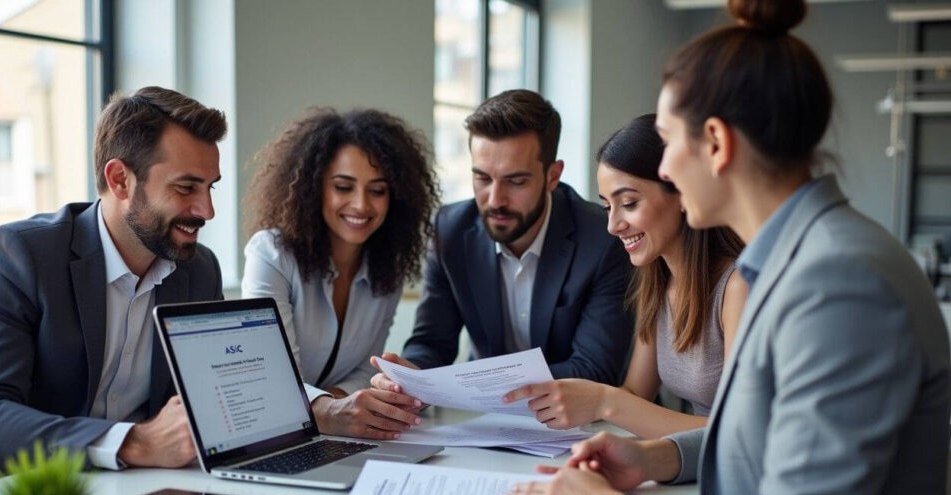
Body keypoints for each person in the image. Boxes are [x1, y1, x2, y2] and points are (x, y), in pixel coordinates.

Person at [506, 2, 951, 495]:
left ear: (715, 143)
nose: (665, 165)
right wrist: (649, 458)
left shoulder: (838, 283)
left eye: (666, 143)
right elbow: (753, 445)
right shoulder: (793, 264)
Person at [0, 87, 228, 484]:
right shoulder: (18, 255)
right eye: (186, 188)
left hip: (124, 488)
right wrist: (133, 442)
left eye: (211, 187)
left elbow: (219, 388)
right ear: (120, 180)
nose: (206, 210)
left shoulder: (198, 269)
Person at [371, 89, 633, 393]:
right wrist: (409, 377)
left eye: (516, 181)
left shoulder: (603, 237)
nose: (495, 200)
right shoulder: (450, 231)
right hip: (486, 421)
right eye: (482, 178)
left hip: (588, 425)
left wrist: (472, 382)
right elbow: (432, 343)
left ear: (552, 176)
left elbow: (593, 369)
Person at [502, 114, 746, 436]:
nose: (612, 225)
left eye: (628, 203)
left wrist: (605, 400)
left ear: (682, 195)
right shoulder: (658, 281)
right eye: (607, 207)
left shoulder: (738, 287)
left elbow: (735, 433)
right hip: (692, 465)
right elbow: (635, 396)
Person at [242, 109, 440, 441]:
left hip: (334, 436)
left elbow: (366, 368)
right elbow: (271, 376)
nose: (361, 205)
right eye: (343, 187)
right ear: (314, 187)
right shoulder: (271, 254)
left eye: (377, 190)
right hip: (268, 435)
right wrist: (330, 410)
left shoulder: (386, 268)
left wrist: (333, 405)